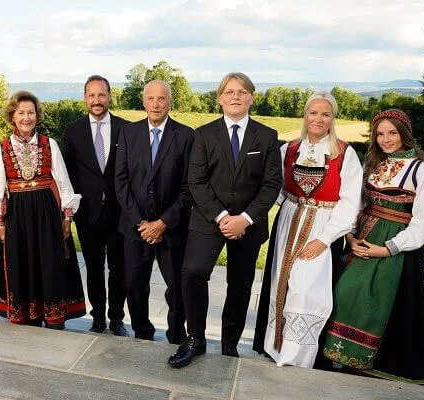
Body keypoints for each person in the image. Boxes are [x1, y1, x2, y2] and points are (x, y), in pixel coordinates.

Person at [168, 72, 282, 368]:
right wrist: (221, 216)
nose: (235, 96)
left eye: (241, 91)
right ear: (219, 98)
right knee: (192, 272)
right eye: (229, 92)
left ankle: (229, 345)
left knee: (240, 283)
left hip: (249, 222)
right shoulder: (204, 134)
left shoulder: (266, 137)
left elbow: (271, 184)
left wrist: (244, 218)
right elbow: (196, 181)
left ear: (251, 97)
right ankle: (195, 338)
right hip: (209, 219)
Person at [323, 109, 424, 384]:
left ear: (405, 134)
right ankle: (345, 358)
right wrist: (349, 236)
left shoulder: (423, 170)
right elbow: (355, 204)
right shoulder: (372, 165)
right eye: (380, 134)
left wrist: (387, 249)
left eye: (392, 133)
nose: (386, 139)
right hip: (362, 239)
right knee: (343, 292)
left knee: (378, 303)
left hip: (395, 248)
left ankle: (375, 363)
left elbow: (422, 222)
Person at [259, 92, 363, 369]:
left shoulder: (344, 153)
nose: (318, 119)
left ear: (333, 119)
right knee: (281, 282)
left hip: (323, 224)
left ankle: (299, 354)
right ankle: (276, 345)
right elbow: (277, 189)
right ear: (305, 116)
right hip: (289, 220)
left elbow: (350, 201)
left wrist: (325, 239)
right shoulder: (290, 150)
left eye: (325, 114)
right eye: (313, 113)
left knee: (307, 289)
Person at [0, 91, 86, 329]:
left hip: (48, 215)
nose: (26, 118)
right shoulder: (2, 148)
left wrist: (67, 218)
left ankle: (53, 317)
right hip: (17, 216)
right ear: (12, 116)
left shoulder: (50, 144)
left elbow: (63, 182)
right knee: (22, 264)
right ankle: (27, 317)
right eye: (21, 113)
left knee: (49, 265)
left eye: (31, 113)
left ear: (37, 116)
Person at [115, 80, 194, 344]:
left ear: (170, 102)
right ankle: (142, 332)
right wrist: (142, 222)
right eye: (151, 98)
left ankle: (175, 334)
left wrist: (162, 223)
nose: (156, 104)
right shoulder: (128, 133)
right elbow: (121, 181)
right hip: (135, 228)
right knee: (135, 286)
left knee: (177, 288)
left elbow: (188, 187)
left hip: (172, 229)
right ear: (144, 101)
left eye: (162, 99)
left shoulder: (185, 136)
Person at [62, 75, 129, 336]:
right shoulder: (73, 130)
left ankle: (117, 319)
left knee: (118, 269)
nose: (97, 100)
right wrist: (68, 212)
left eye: (102, 95)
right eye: (92, 95)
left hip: (119, 212)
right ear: (85, 98)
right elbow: (67, 173)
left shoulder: (127, 129)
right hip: (87, 213)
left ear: (110, 96)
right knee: (93, 267)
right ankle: (98, 318)